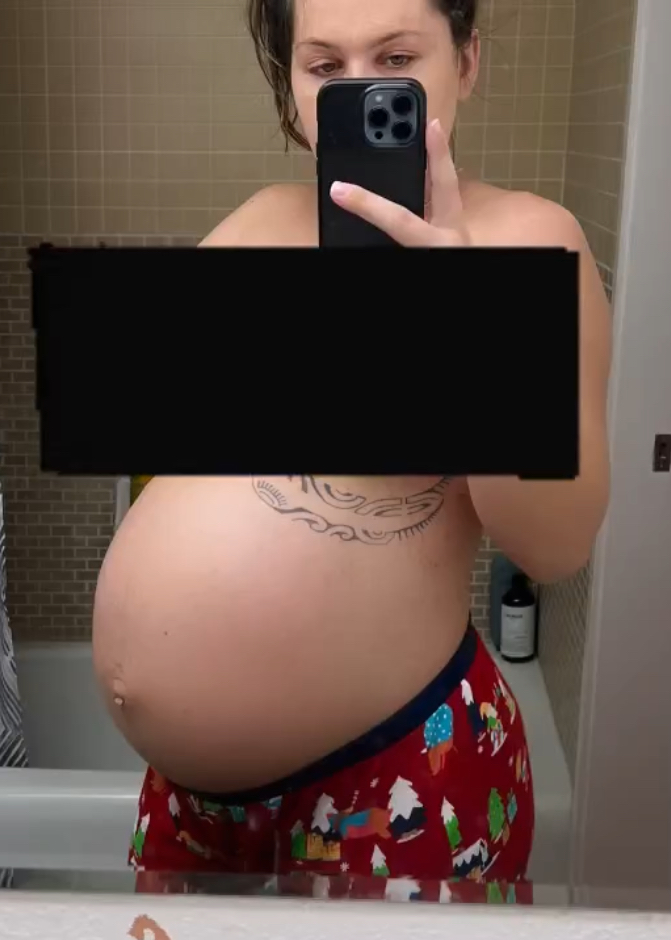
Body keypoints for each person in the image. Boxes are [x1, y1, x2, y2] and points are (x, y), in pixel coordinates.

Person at [92, 0, 611, 903]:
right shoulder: (257, 221)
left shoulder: (529, 236)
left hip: (396, 769)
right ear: (291, 87)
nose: (359, 88)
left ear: (466, 61)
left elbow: (556, 545)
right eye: (324, 66)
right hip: (192, 800)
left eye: (397, 57)